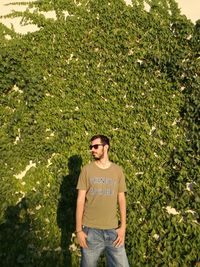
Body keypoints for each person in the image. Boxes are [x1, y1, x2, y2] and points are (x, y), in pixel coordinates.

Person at [76, 134, 129, 267]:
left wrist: (123, 227)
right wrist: (79, 230)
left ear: (106, 147)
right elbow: (80, 201)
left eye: (95, 146)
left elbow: (121, 199)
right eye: (91, 147)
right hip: (90, 232)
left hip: (113, 231)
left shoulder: (118, 171)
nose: (92, 150)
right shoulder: (86, 170)